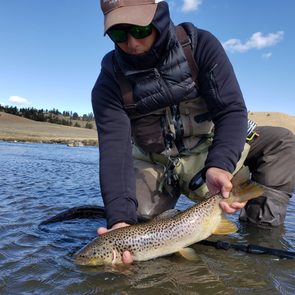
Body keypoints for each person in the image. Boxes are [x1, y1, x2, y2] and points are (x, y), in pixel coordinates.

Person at [92, 0, 295, 263]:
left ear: (159, 16)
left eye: (140, 30)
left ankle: (261, 233)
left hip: (208, 151)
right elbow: (114, 152)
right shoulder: (109, 80)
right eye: (119, 34)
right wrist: (119, 220)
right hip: (156, 163)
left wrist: (221, 164)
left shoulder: (200, 45)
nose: (131, 43)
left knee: (282, 143)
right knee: (137, 221)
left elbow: (231, 111)